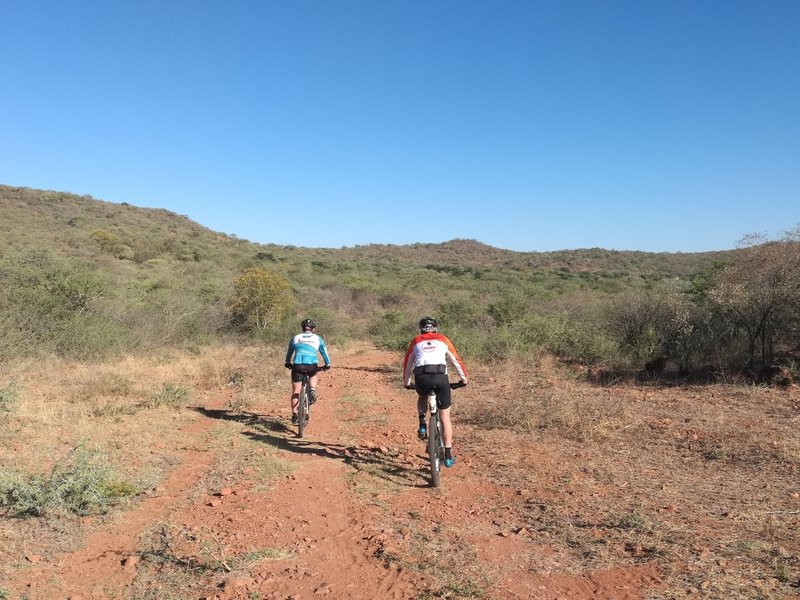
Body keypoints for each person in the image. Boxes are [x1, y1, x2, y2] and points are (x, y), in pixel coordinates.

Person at [402, 316, 468, 468]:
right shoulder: (443, 339)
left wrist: (406, 382)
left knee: (422, 396)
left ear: (421, 329)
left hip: (421, 378)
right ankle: (449, 455)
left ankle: (422, 423)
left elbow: (408, 362)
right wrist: (464, 379)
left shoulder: (416, 340)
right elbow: (455, 360)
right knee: (445, 417)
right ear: (435, 328)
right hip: (440, 379)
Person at [284, 319, 331, 424]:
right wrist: (327, 364)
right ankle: (312, 390)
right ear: (313, 329)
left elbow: (289, 352)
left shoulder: (295, 338)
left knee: (296, 391)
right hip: (311, 365)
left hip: (297, 365)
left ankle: (294, 415)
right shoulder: (317, 338)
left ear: (302, 328)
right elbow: (324, 352)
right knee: (313, 374)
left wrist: (287, 362)